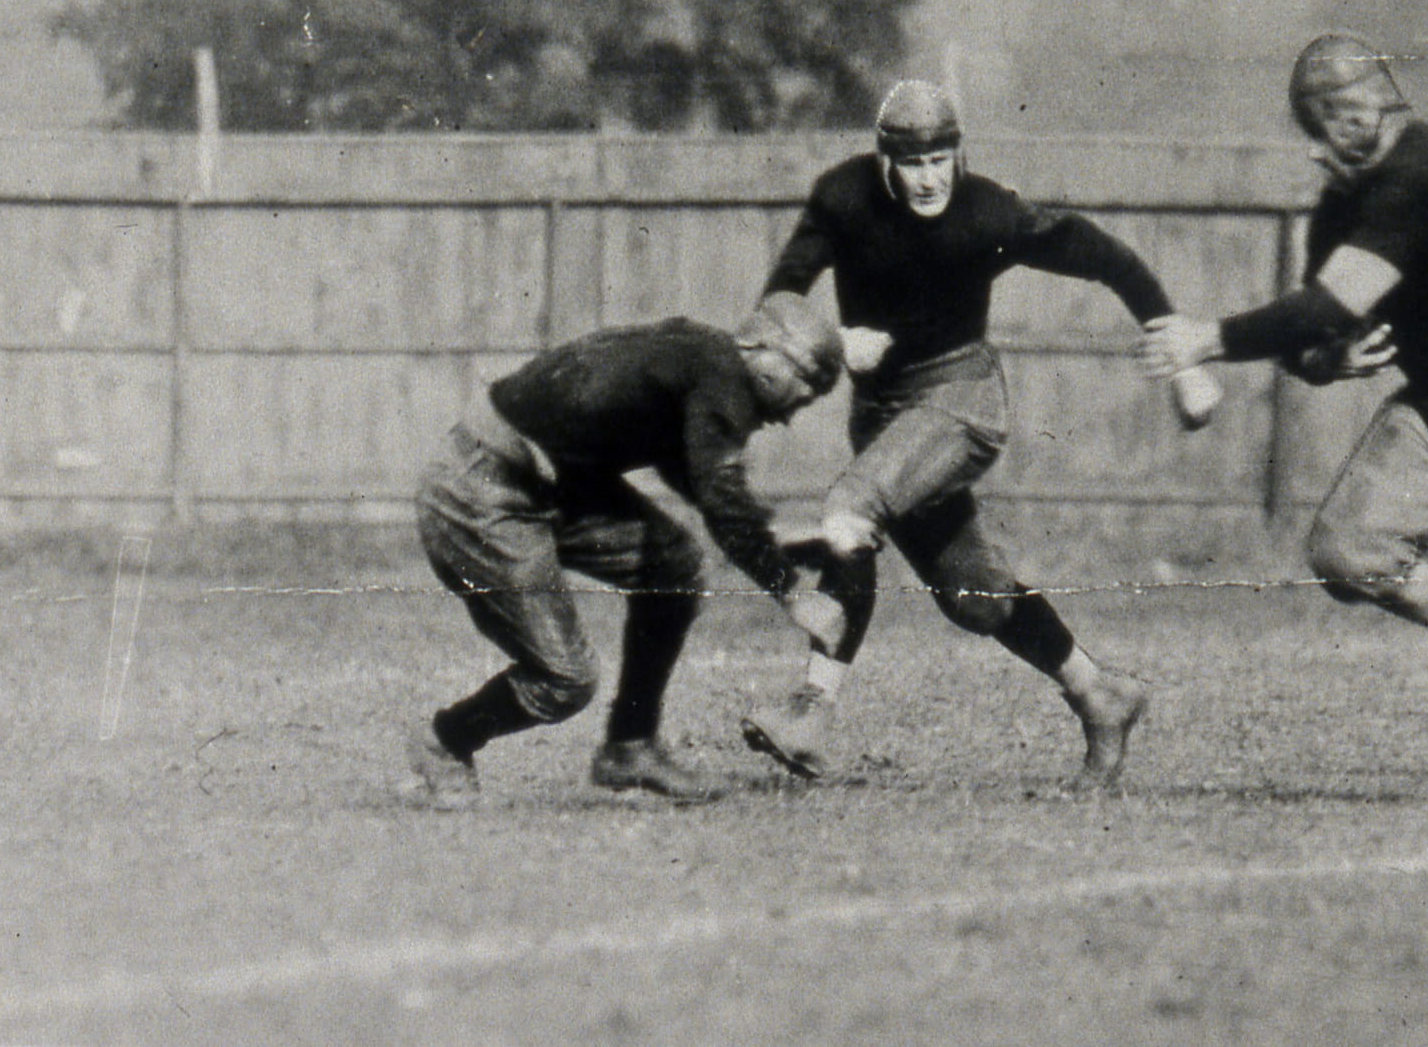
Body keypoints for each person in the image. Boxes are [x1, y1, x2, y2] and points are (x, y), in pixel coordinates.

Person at [1139, 34, 1428, 785]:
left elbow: (1328, 301)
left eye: (1342, 115)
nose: (1331, 138)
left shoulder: (1415, 175)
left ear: (1366, 108)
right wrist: (1326, 359)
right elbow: (1315, 330)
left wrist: (1207, 339)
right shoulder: (1351, 197)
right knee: (1347, 549)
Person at [737, 79, 1180, 790]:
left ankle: (809, 708)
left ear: (959, 153)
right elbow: (782, 295)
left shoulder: (985, 211)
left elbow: (1096, 251)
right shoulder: (843, 197)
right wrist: (830, 338)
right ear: (884, 160)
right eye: (913, 161)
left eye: (942, 157)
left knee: (852, 508)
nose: (929, 176)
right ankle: (1101, 692)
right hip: (882, 413)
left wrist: (1169, 329)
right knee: (976, 596)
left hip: (961, 397)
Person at [405, 293, 843, 810]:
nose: (793, 412)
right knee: (565, 680)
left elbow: (688, 467)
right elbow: (719, 494)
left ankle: (629, 746)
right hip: (480, 489)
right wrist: (792, 593)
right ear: (764, 348)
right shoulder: (725, 375)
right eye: (805, 385)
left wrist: (769, 536)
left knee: (673, 563)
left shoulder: (702, 358)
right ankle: (446, 741)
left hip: (543, 478)